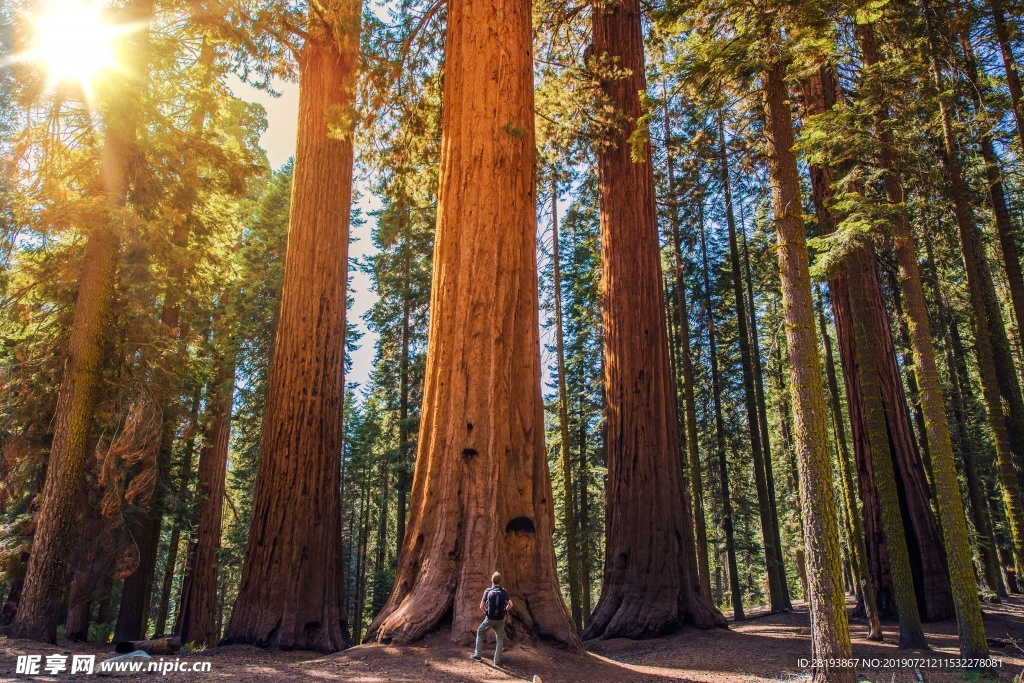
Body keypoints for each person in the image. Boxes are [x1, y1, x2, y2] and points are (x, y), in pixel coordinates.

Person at [471, 571, 512, 666]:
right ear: (499, 581)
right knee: (500, 639)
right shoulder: (503, 591)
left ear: (491, 580)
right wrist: (505, 610)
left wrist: (487, 612)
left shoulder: (488, 591)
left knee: (480, 632)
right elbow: (511, 604)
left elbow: (481, 606)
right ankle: (497, 661)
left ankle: (477, 655)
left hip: (489, 618)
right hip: (501, 619)